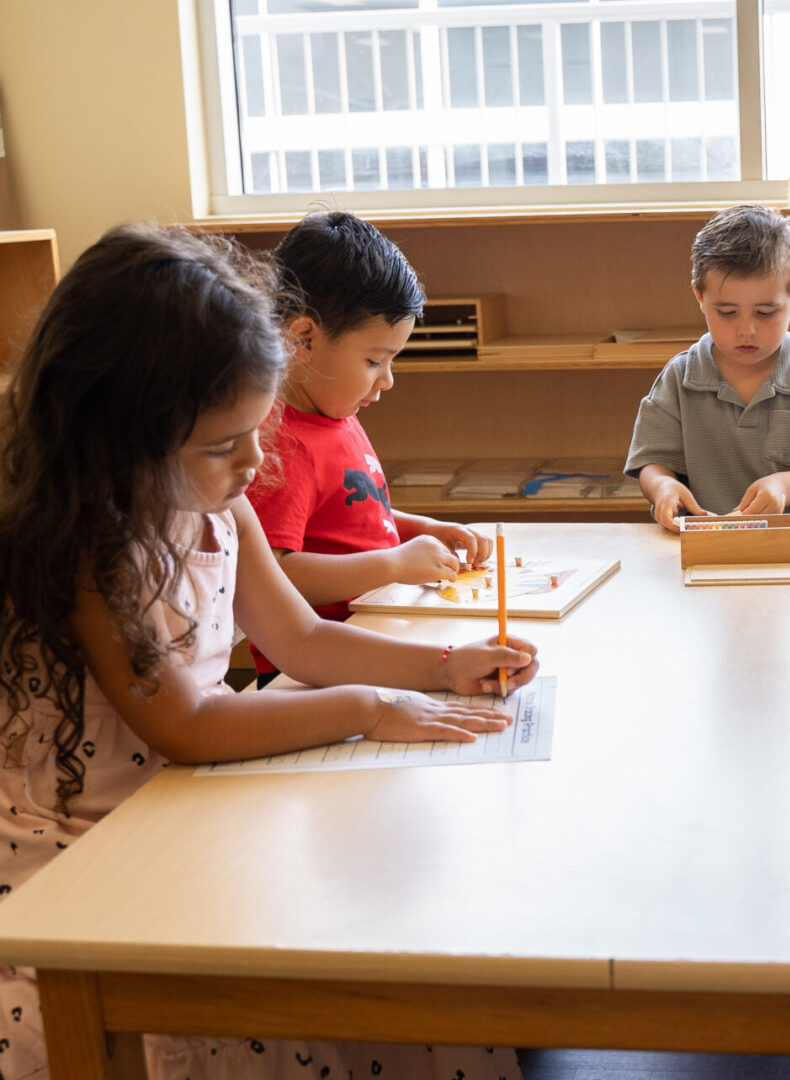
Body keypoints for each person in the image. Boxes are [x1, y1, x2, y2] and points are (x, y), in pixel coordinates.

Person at [0, 223, 536, 1078]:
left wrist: (444, 666)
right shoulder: (91, 546)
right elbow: (188, 724)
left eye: (258, 429)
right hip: (88, 844)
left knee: (396, 952)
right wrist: (370, 710)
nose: (258, 462)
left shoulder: (219, 501)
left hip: (184, 804)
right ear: (119, 436)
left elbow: (301, 638)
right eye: (225, 444)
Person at [247, 210, 493, 685]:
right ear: (303, 338)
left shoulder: (336, 414)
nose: (388, 380)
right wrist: (395, 564)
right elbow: (274, 576)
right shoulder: (282, 445)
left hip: (370, 638)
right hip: (310, 668)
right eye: (374, 361)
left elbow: (354, 517)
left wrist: (420, 529)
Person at [625, 204, 790, 532]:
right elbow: (653, 462)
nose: (746, 330)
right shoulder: (680, 377)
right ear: (700, 297)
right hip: (702, 541)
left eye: (765, 312)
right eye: (726, 312)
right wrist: (663, 487)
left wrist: (784, 486)